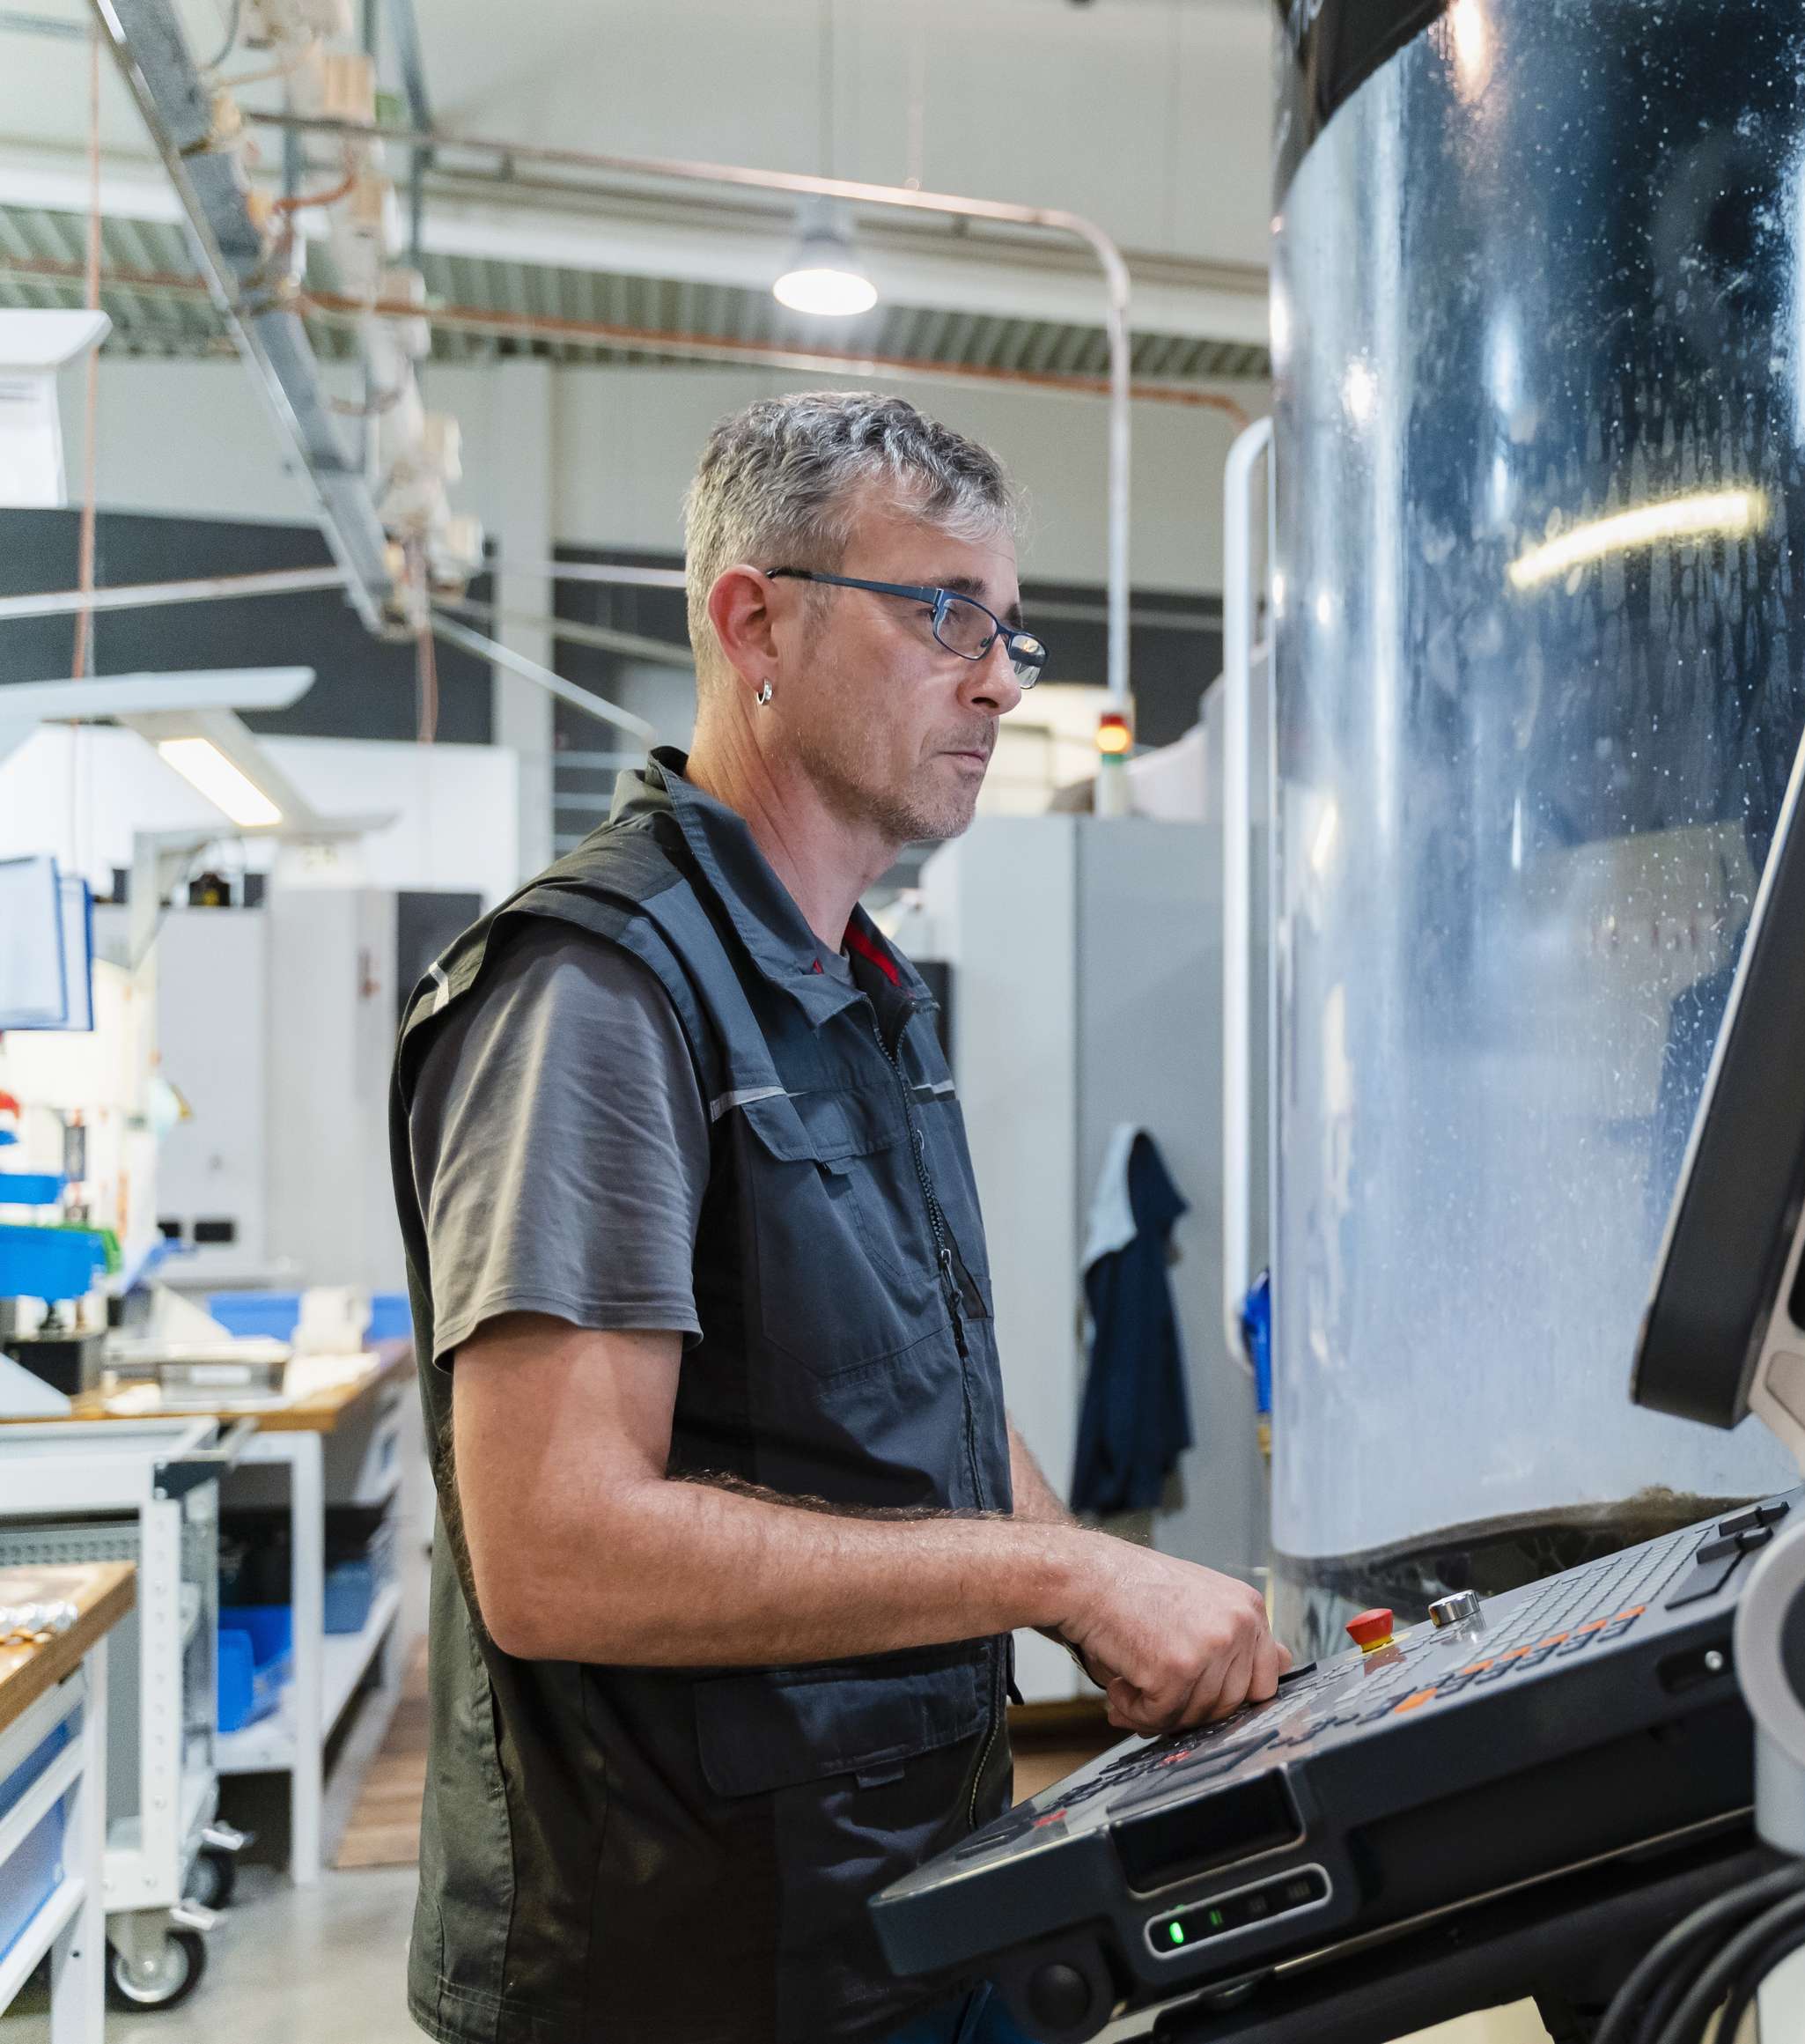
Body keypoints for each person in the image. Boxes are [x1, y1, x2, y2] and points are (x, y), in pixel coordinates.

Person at [389, 391, 1286, 2044]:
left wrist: (1090, 1575)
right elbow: (555, 1546)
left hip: (915, 1905)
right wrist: (1056, 1579)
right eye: (944, 609)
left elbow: (914, 1393)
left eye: (1008, 626)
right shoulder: (600, 992)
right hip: (695, 1973)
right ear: (757, 623)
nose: (1002, 677)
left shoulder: (861, 994)